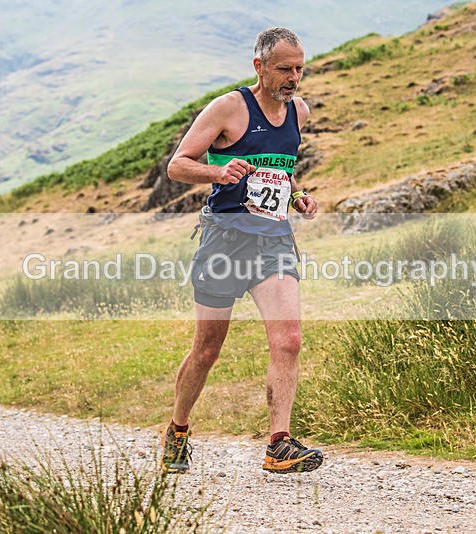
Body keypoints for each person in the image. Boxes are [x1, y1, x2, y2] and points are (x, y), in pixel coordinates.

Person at [162, 27, 321, 474]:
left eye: (299, 69)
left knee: (288, 340)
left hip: (273, 240)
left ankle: (279, 443)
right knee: (207, 351)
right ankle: (177, 429)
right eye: (284, 69)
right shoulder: (229, 108)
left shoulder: (299, 112)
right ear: (259, 67)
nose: (294, 78)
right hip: (225, 241)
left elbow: (281, 169)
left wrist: (297, 197)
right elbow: (178, 165)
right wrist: (217, 172)